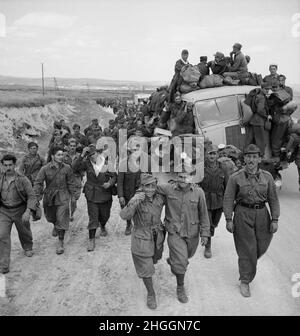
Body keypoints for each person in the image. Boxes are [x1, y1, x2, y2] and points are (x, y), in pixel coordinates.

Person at [223, 144, 280, 297]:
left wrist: (275, 219)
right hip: (242, 213)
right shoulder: (235, 177)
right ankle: (245, 280)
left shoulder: (267, 177)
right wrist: (229, 218)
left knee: (261, 245)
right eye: (248, 156)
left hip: (262, 214)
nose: (251, 160)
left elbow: (273, 199)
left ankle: (248, 262)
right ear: (244, 158)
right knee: (247, 249)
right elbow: (228, 198)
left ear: (259, 159)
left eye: (254, 157)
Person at [156, 165, 210, 304]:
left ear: (192, 178)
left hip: (192, 233)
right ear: (176, 177)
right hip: (175, 232)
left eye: (186, 176)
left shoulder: (199, 193)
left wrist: (205, 233)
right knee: (182, 261)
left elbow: (204, 214)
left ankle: (174, 261)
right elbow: (151, 186)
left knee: (187, 256)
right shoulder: (168, 188)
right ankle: (180, 287)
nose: (183, 179)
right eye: (180, 176)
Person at [119, 173, 165, 309]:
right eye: (147, 186)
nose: (150, 189)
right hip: (141, 236)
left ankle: (149, 269)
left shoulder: (160, 197)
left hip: (157, 235)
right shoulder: (137, 198)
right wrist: (134, 201)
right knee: (147, 268)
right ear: (141, 186)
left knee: (155, 258)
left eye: (153, 186)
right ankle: (151, 293)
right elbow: (123, 215)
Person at [34, 146, 79, 255]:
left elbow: (71, 182)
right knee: (51, 217)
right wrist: (37, 196)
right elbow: (38, 183)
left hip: (63, 195)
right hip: (50, 196)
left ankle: (60, 241)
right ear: (53, 156)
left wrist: (74, 195)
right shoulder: (45, 169)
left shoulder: (67, 168)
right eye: (58, 155)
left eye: (62, 154)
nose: (61, 157)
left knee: (62, 217)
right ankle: (55, 224)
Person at [72, 144, 117, 251]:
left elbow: (115, 176)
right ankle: (91, 239)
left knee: (105, 215)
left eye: (94, 154)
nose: (92, 156)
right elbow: (74, 167)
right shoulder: (86, 163)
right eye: (90, 154)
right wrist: (82, 155)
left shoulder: (106, 163)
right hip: (91, 193)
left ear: (98, 153)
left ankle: (103, 225)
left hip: (105, 193)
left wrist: (110, 183)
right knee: (93, 217)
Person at [0, 154, 37, 274]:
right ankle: (4, 264)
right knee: (2, 235)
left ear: (14, 165)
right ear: (2, 166)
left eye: (10, 165)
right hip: (4, 211)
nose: (8, 167)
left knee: (24, 231)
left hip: (20, 209)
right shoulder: (0, 178)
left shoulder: (22, 179)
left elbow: (32, 196)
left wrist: (28, 211)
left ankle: (27, 247)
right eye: (5, 165)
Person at [199, 144, 227, 258]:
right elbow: (196, 184)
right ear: (206, 155)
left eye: (214, 153)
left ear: (217, 155)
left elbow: (228, 184)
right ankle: (208, 247)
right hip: (206, 199)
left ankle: (211, 229)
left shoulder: (223, 167)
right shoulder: (201, 168)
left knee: (215, 222)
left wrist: (228, 202)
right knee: (208, 223)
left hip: (219, 199)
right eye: (209, 153)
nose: (212, 155)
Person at [118, 145, 141, 235]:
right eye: (133, 151)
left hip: (139, 192)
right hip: (127, 192)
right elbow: (120, 181)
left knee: (140, 210)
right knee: (127, 209)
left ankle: (138, 226)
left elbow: (148, 178)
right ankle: (128, 224)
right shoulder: (123, 164)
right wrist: (121, 196)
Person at [244, 83, 271, 156]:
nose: (267, 91)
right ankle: (260, 157)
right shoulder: (261, 97)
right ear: (262, 88)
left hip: (254, 120)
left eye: (268, 89)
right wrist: (267, 116)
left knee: (250, 140)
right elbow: (260, 110)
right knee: (261, 141)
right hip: (259, 121)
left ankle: (245, 154)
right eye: (266, 89)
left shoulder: (257, 95)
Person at [63, 138, 83, 221]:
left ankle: (72, 213)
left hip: (76, 179)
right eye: (70, 146)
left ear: (76, 147)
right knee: (65, 200)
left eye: (74, 146)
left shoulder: (79, 156)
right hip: (65, 180)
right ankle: (66, 214)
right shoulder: (63, 155)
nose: (72, 147)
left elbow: (83, 167)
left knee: (74, 200)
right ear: (68, 146)